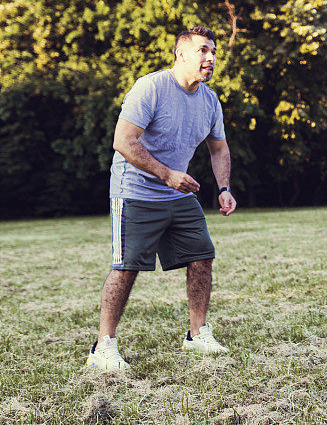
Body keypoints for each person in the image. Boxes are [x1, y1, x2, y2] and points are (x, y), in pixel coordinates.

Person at [87, 26, 237, 371]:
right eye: (202, 51)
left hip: (176, 193)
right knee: (126, 267)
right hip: (135, 190)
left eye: (213, 51)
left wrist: (224, 187)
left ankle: (197, 333)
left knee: (202, 256)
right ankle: (103, 346)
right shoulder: (151, 87)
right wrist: (168, 174)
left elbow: (219, 147)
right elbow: (124, 141)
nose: (211, 58)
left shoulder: (210, 100)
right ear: (181, 54)